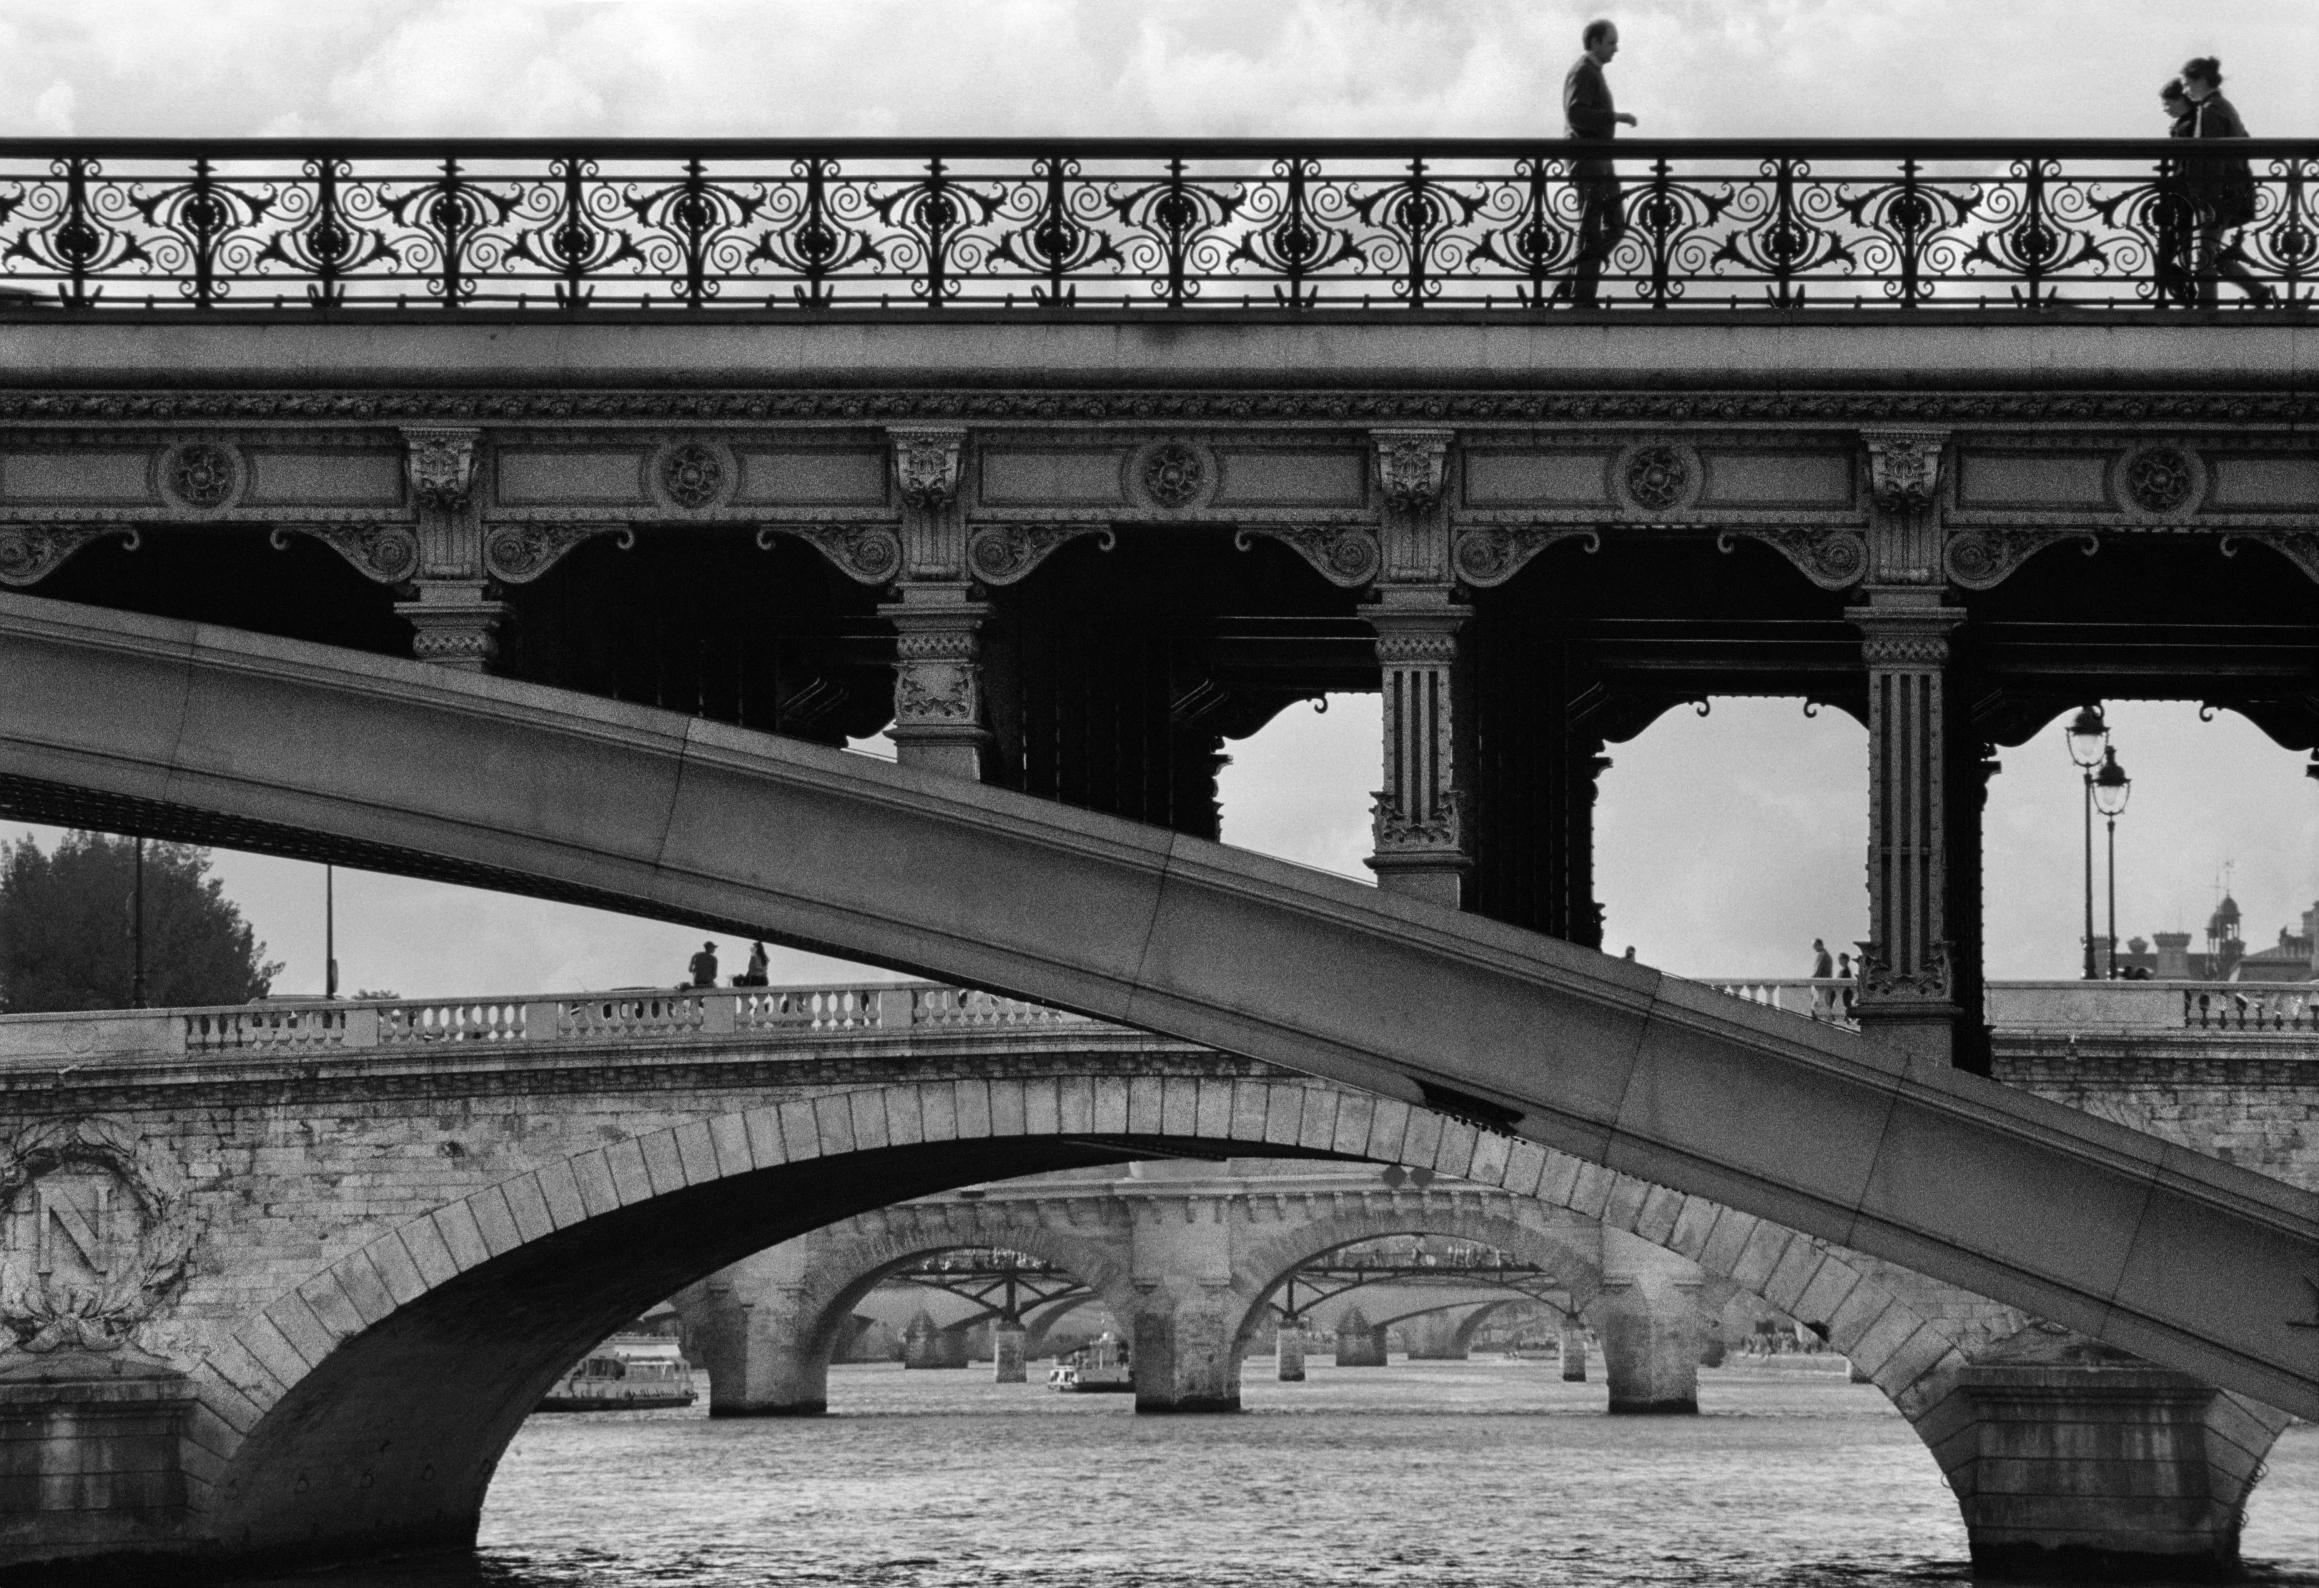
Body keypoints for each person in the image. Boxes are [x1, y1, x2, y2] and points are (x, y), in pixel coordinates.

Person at [2178, 58, 2272, 309]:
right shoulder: (2220, 106)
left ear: (2202, 81)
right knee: (2214, 255)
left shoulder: (2211, 110)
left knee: (2204, 254)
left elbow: (2211, 159)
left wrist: (2206, 202)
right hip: (2229, 193)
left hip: (2216, 195)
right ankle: (2260, 294)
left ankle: (2206, 313)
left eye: (2188, 84)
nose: (2185, 90)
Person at [1560, 18, 1638, 308]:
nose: (1616, 49)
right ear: (1595, 42)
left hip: (1600, 159)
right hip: (1589, 159)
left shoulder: (1591, 71)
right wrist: (1615, 118)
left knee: (1614, 225)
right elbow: (1576, 114)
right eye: (1611, 42)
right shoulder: (1583, 72)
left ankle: (1569, 281)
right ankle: (1582, 297)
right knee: (1593, 227)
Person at [2151, 79, 2198, 308]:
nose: (2164, 108)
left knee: (2170, 248)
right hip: (2184, 195)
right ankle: (2184, 292)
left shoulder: (2188, 125)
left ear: (2180, 100)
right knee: (2180, 247)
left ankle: (2183, 291)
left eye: (2167, 102)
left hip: (2184, 196)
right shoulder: (2188, 122)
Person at [1810, 937, 1834, 1018]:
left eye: (1815, 946)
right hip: (1827, 985)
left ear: (1819, 945)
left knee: (1818, 1005)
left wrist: (1810, 980)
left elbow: (1817, 970)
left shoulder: (1821, 954)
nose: (1814, 948)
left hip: (1821, 985)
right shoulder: (1827, 955)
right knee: (1826, 1004)